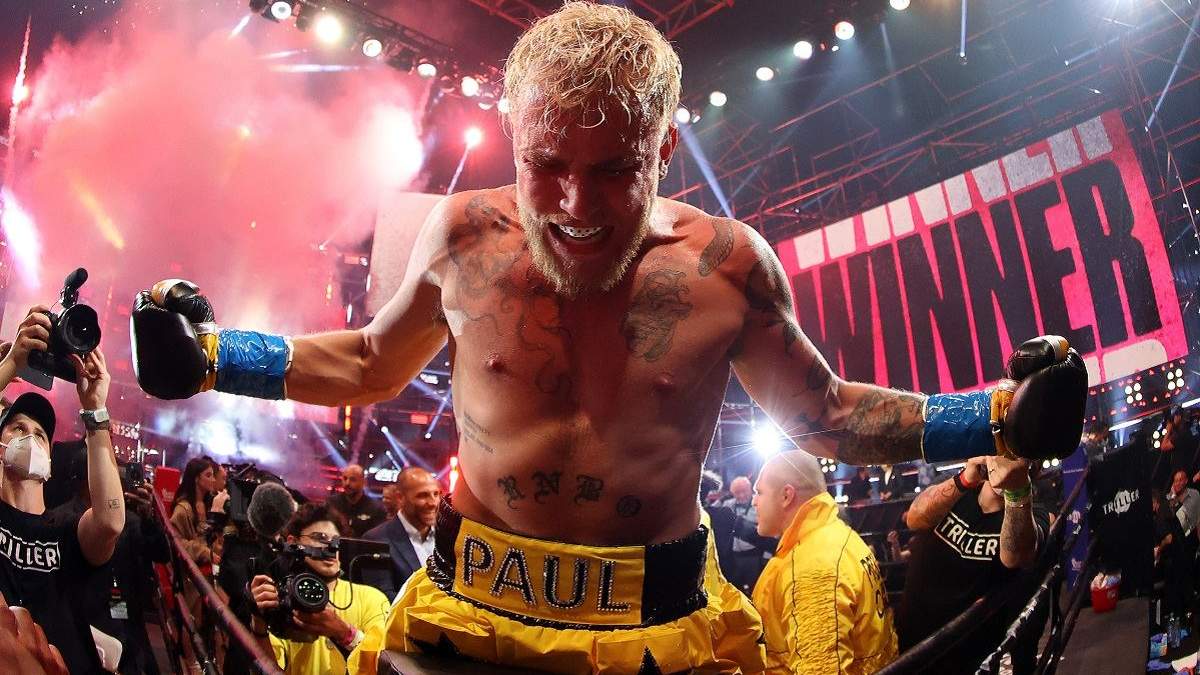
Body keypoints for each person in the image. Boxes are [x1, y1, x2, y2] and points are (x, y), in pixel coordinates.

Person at [130, 3, 1086, 671]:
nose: (575, 205)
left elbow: (826, 414)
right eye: (546, 163)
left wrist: (998, 416)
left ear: (665, 147)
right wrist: (214, 356)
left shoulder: (727, 267)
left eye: (613, 169)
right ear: (513, 130)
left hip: (657, 626)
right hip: (471, 611)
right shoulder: (464, 237)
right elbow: (373, 360)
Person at [0, 307, 124, 674]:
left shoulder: (65, 529)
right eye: (17, 428)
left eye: (40, 435)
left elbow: (111, 522)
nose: (30, 437)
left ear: (50, 463)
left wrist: (95, 411)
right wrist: (11, 364)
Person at [894, 456, 1048, 673]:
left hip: (963, 657)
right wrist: (965, 479)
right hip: (909, 640)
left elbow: (1015, 556)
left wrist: (1016, 489)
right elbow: (914, 518)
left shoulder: (1033, 513)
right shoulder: (958, 486)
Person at [751, 451, 897, 673]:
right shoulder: (836, 537)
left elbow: (822, 669)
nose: (754, 502)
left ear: (786, 496)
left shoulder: (812, 568)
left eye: (759, 492)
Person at [48, 441, 171, 675]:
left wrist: (148, 518)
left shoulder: (129, 520)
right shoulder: (60, 520)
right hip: (84, 627)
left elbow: (161, 554)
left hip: (127, 626)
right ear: (89, 478)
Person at [248, 503, 390, 674]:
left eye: (336, 541)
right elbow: (267, 670)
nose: (331, 547)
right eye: (320, 538)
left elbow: (386, 664)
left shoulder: (372, 598)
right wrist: (259, 624)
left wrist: (344, 633)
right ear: (293, 542)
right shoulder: (283, 599)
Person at [363, 468, 440, 600]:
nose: (433, 503)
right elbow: (382, 599)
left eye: (436, 494)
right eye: (422, 495)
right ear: (400, 498)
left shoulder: (448, 536)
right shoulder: (375, 540)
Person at [717, 475, 774, 594]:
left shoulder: (761, 503)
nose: (741, 495)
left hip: (754, 556)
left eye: (744, 491)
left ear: (750, 489)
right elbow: (709, 511)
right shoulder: (727, 504)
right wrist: (722, 498)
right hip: (733, 558)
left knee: (757, 590)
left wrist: (767, 556)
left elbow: (771, 531)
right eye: (737, 492)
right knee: (735, 592)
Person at [170, 457, 217, 565]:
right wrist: (202, 552)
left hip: (209, 565)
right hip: (191, 569)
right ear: (196, 478)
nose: (213, 480)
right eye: (208, 475)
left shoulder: (209, 505)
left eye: (213, 475)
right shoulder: (183, 509)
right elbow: (175, 541)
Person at [326, 465, 386, 538]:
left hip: (363, 545)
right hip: (335, 544)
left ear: (363, 482)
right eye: (345, 478)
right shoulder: (331, 504)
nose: (347, 483)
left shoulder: (376, 509)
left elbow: (377, 538)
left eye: (353, 479)